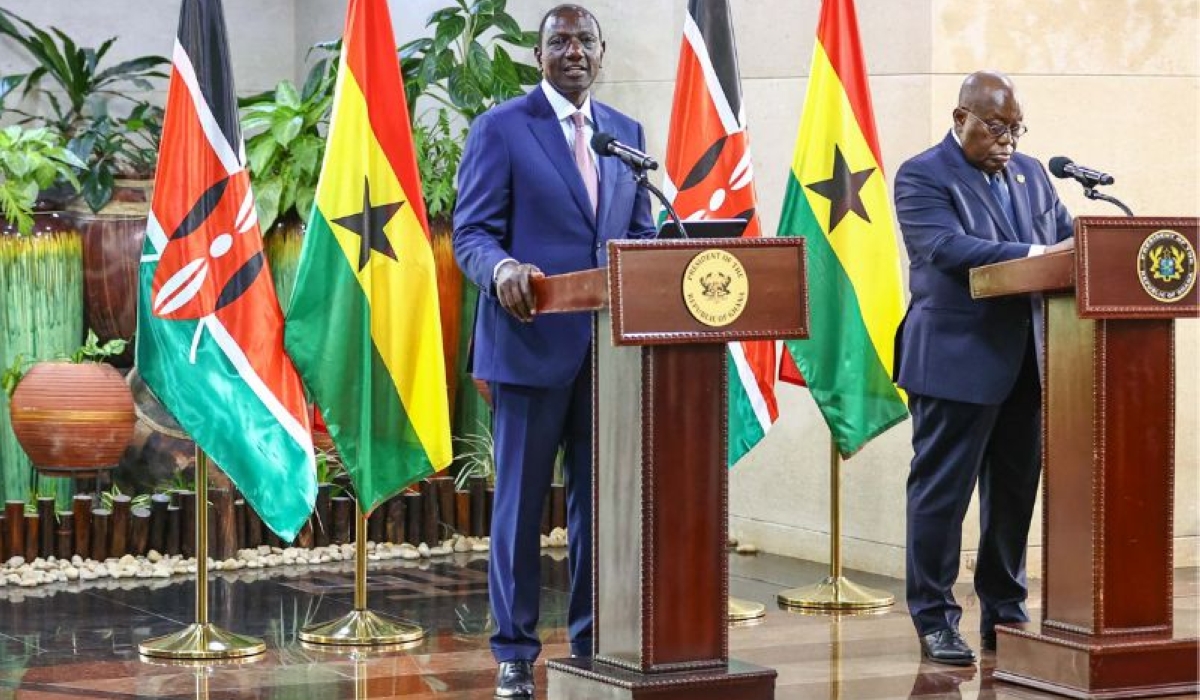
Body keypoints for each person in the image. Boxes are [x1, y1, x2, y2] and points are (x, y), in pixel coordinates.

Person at [453, 4, 656, 697]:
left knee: (600, 509)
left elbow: (641, 237)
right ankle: (513, 652)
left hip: (610, 360)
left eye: (584, 40)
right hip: (528, 347)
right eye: (558, 41)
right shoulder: (502, 129)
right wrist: (502, 269)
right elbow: (471, 234)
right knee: (519, 508)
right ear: (538, 56)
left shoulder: (625, 137)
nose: (573, 51)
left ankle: (593, 644)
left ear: (604, 53)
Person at [892, 70, 1074, 666]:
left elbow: (1067, 237)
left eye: (1016, 129)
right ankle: (935, 617)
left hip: (1030, 362)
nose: (1008, 141)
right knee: (942, 496)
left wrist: (1102, 243)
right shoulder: (922, 174)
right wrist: (1037, 256)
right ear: (959, 117)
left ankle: (1005, 609)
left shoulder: (1031, 173)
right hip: (954, 361)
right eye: (995, 127)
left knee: (1015, 493)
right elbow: (944, 249)